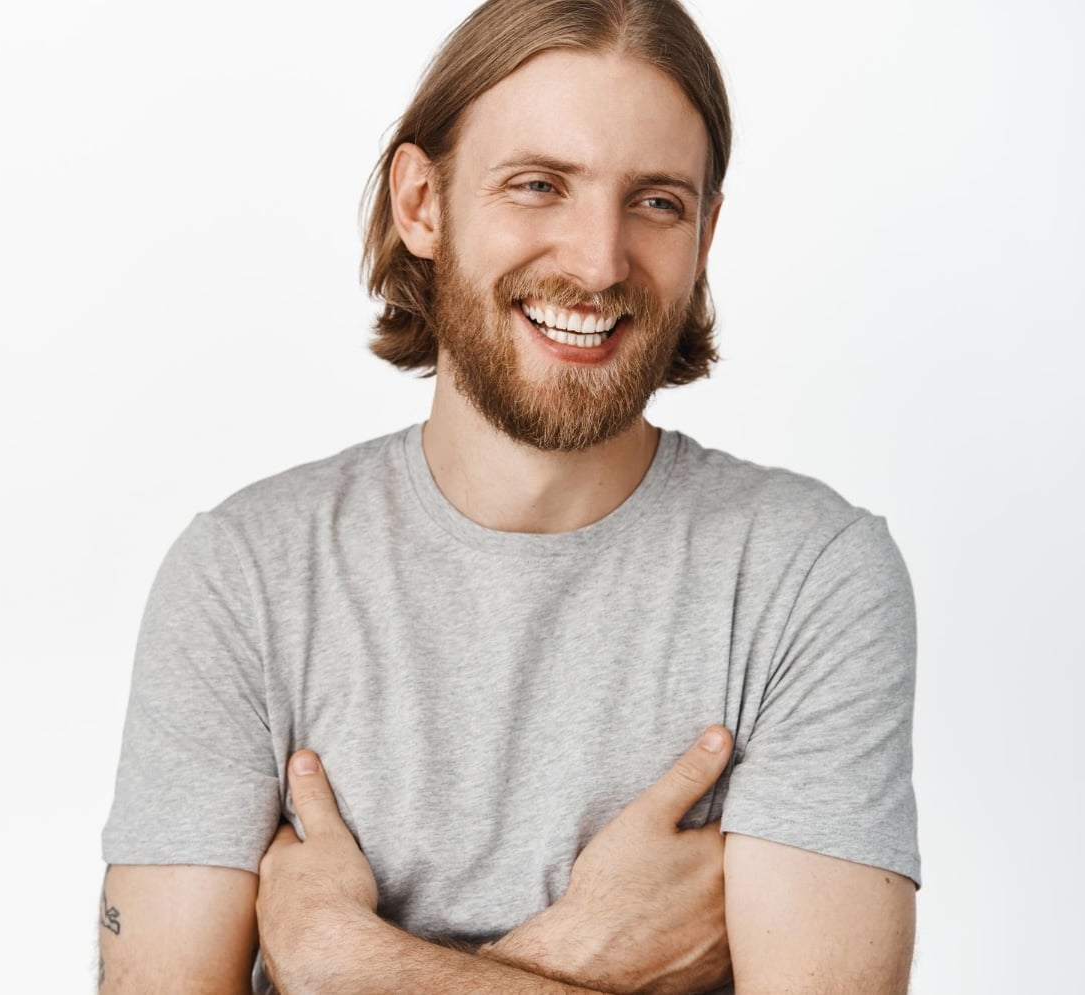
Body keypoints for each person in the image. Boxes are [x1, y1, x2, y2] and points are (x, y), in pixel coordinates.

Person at [99, 0, 921, 991]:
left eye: (657, 201)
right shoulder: (244, 576)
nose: (596, 260)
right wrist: (593, 953)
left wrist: (336, 954)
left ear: (704, 232)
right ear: (422, 202)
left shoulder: (808, 574)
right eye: (539, 186)